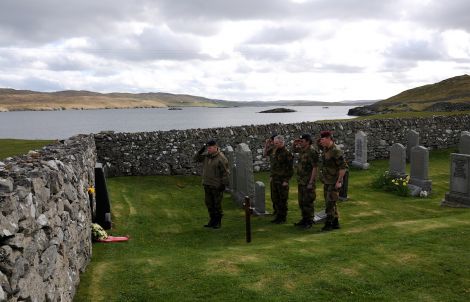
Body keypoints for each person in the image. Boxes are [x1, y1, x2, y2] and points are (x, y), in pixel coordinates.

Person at [193, 139, 229, 229]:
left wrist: (223, 185)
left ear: (215, 147)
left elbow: (225, 173)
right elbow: (196, 158)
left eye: (210, 147)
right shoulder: (207, 156)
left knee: (217, 204)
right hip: (207, 184)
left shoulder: (221, 158)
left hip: (216, 185)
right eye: (207, 147)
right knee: (209, 203)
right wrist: (201, 150)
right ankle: (212, 220)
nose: (208, 149)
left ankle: (218, 222)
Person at [318, 131, 348, 231]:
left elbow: (343, 167)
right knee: (332, 202)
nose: (320, 141)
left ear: (328, 138)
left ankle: (328, 224)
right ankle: (336, 222)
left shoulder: (336, 150)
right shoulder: (326, 148)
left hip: (334, 181)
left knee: (329, 203)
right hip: (327, 180)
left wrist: (339, 181)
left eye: (322, 139)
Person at [264, 135, 294, 224]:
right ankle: (278, 216)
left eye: (277, 143)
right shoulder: (274, 150)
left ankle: (282, 217)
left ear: (282, 142)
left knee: (282, 199)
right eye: (274, 143)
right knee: (275, 198)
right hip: (274, 178)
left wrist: (286, 180)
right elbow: (265, 154)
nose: (275, 144)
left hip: (282, 179)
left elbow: (290, 168)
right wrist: (266, 145)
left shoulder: (287, 153)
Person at [292, 134, 319, 229]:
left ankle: (309, 221)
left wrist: (311, 182)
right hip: (301, 181)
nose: (300, 143)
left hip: (308, 181)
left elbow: (315, 168)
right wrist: (294, 144)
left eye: (302, 141)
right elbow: (294, 150)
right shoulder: (302, 150)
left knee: (308, 202)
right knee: (301, 201)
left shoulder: (312, 151)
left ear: (307, 141)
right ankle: (304, 219)